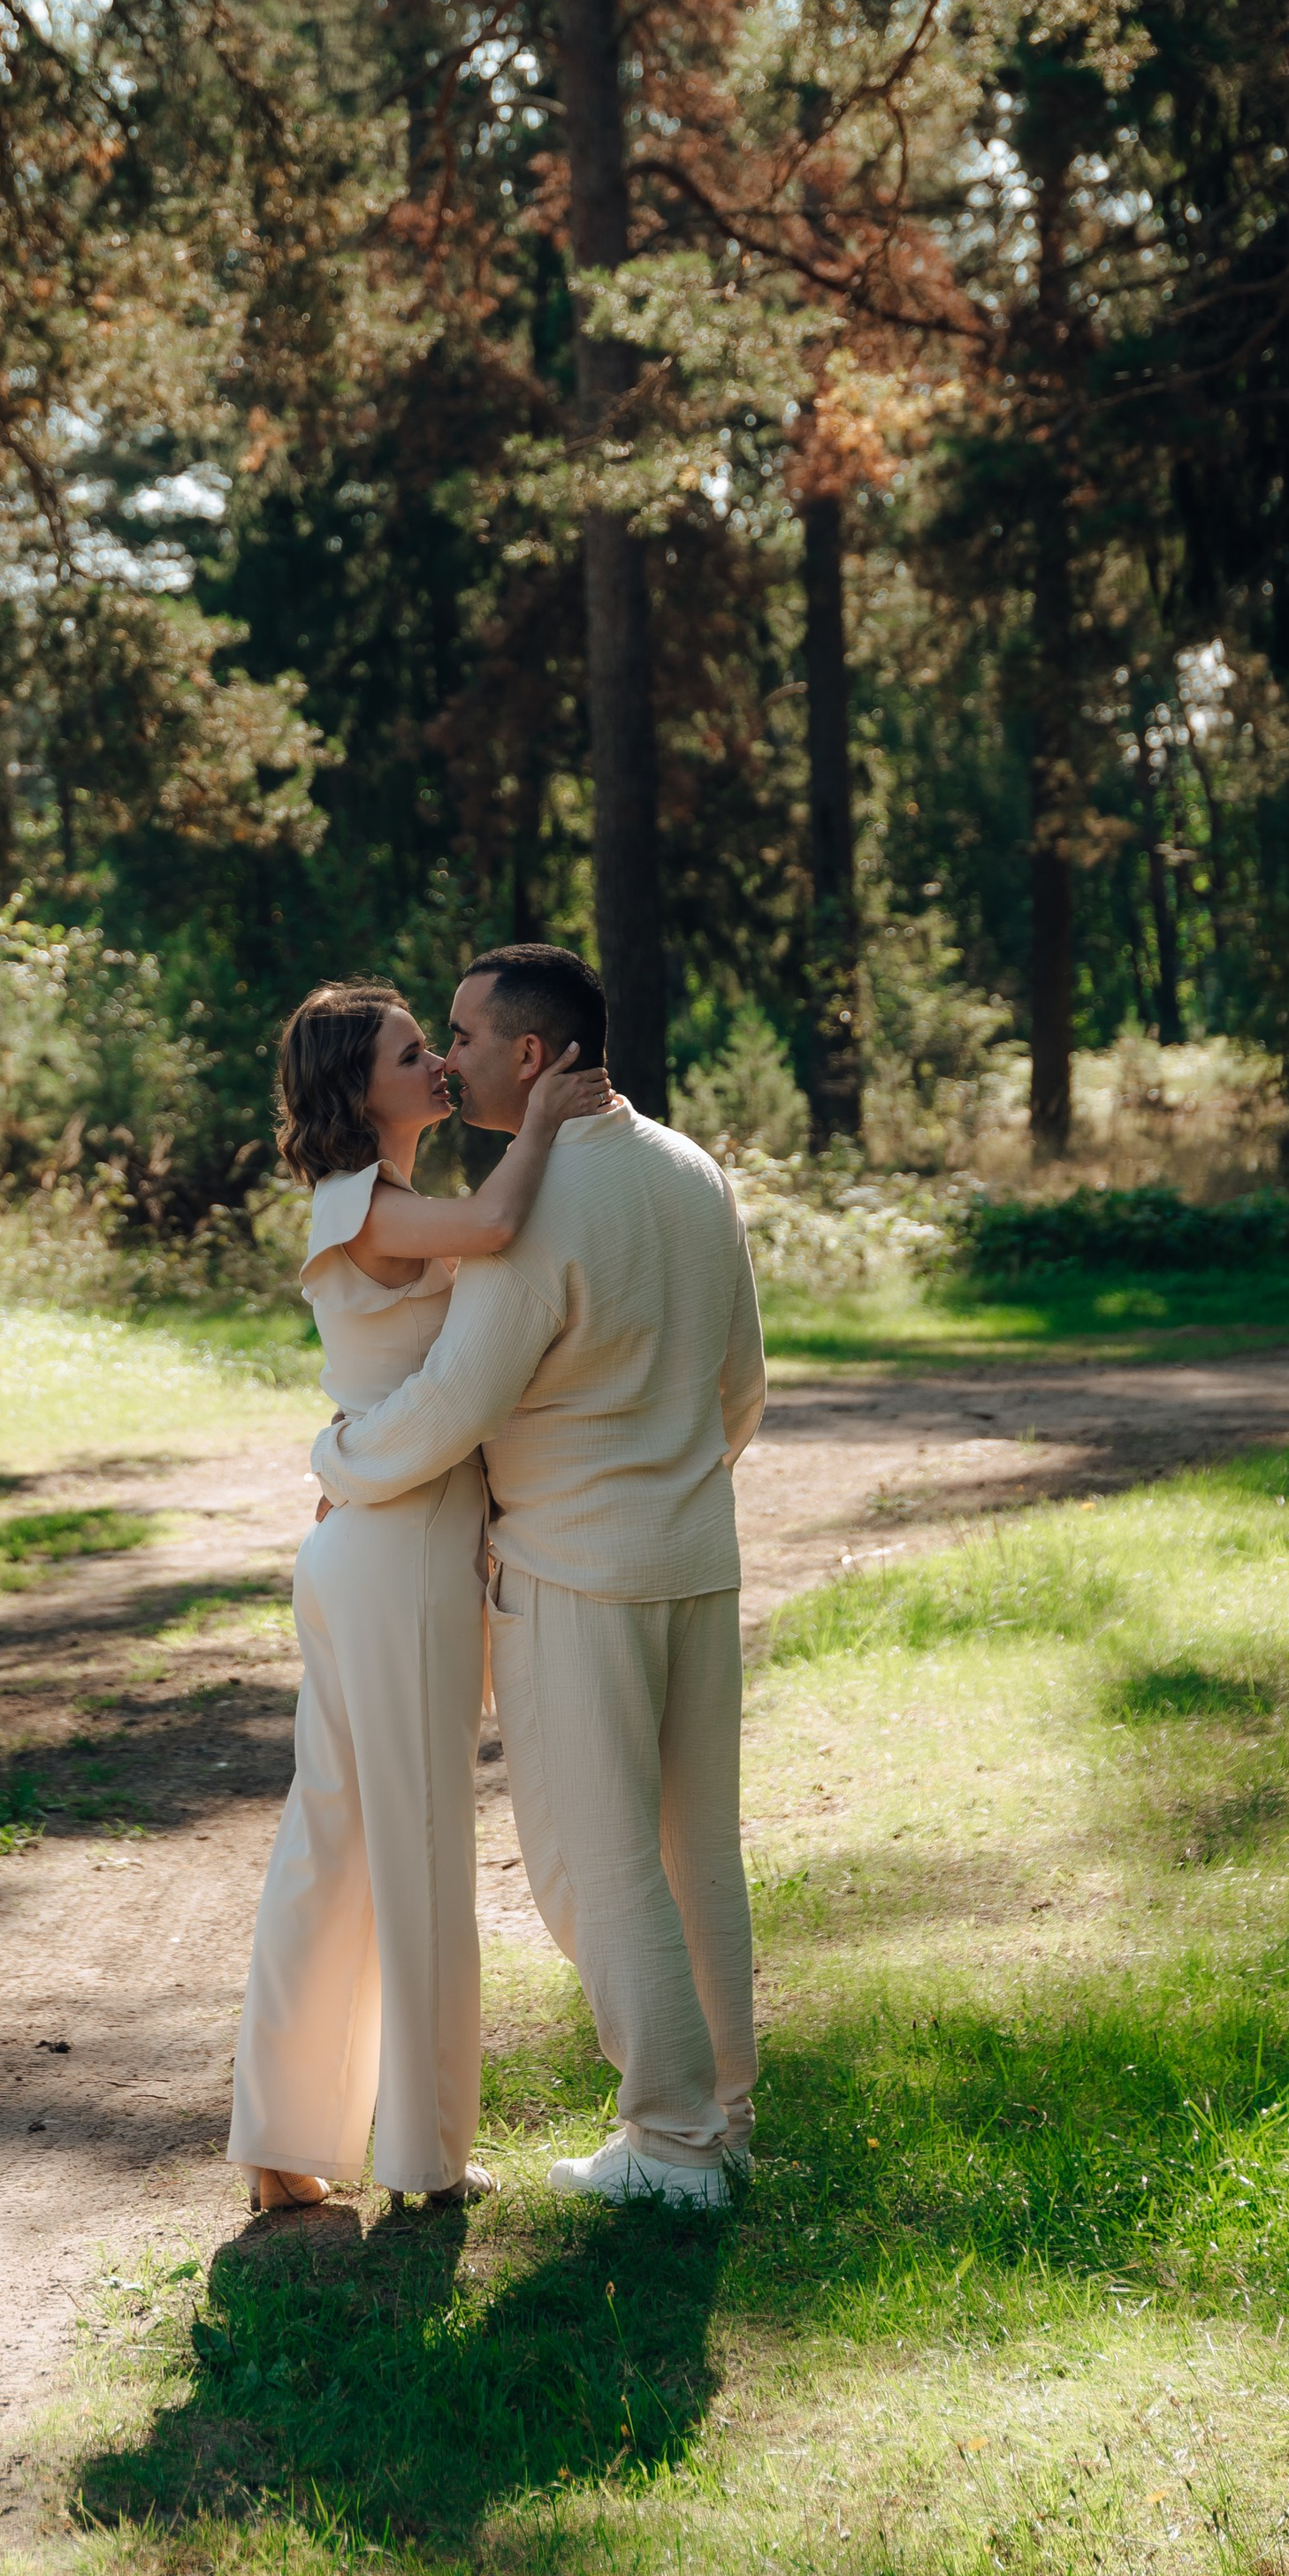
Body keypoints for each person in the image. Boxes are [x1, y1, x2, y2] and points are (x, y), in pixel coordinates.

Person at [309, 942, 766, 2212]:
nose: (444, 1059)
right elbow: (745, 1388)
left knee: (591, 1860)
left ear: (528, 1053)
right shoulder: (692, 1168)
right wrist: (676, 1489)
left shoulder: (540, 1202)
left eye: (458, 1035)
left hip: (578, 1570)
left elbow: (457, 1400)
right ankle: (722, 2118)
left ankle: (673, 2148)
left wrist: (338, 1457)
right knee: (697, 1850)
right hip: (697, 1561)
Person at [226, 979, 613, 2215]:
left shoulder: (375, 1203)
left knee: (333, 1843)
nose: (440, 1067)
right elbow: (501, 1228)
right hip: (396, 1558)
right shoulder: (371, 1207)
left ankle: (283, 2146)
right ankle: (426, 2157)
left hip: (368, 1547)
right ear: (359, 1088)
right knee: (422, 1845)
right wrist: (543, 1118)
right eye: (413, 1053)